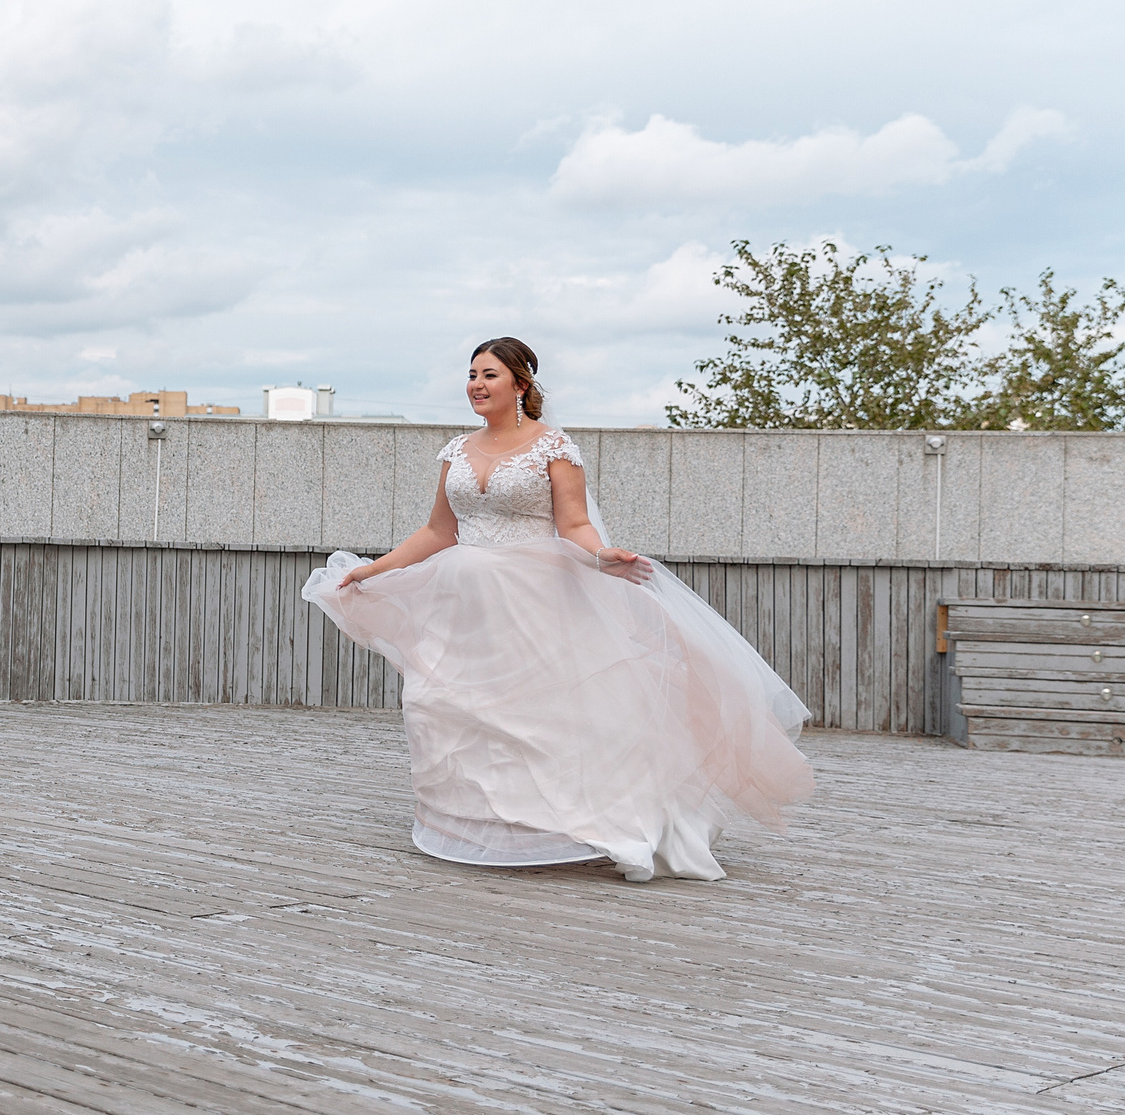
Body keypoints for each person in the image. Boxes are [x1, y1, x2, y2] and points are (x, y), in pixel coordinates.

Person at [303, 338, 812, 882]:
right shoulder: (456, 450)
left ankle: (589, 820)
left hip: (535, 597)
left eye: (490, 374)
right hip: (465, 606)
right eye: (471, 374)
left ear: (520, 384)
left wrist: (601, 556)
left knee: (544, 716)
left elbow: (573, 525)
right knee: (442, 704)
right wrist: (373, 569)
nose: (476, 384)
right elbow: (438, 530)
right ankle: (487, 827)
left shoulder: (554, 448)